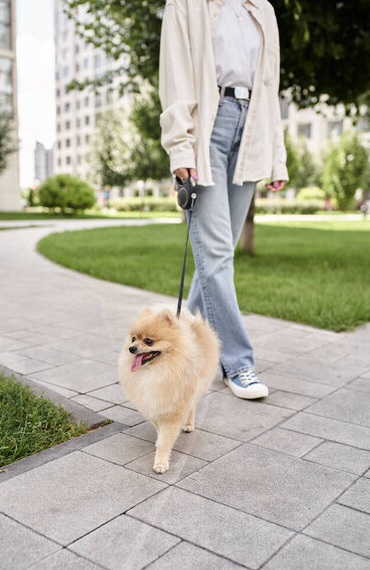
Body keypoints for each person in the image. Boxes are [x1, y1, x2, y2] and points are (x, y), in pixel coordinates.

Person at [158, 0, 289, 400]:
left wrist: (276, 155)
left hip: (251, 128)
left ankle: (175, 346)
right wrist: (180, 148)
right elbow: (176, 75)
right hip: (207, 127)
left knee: (219, 256)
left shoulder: (262, 9)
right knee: (215, 254)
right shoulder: (185, 4)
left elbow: (270, 86)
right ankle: (237, 363)